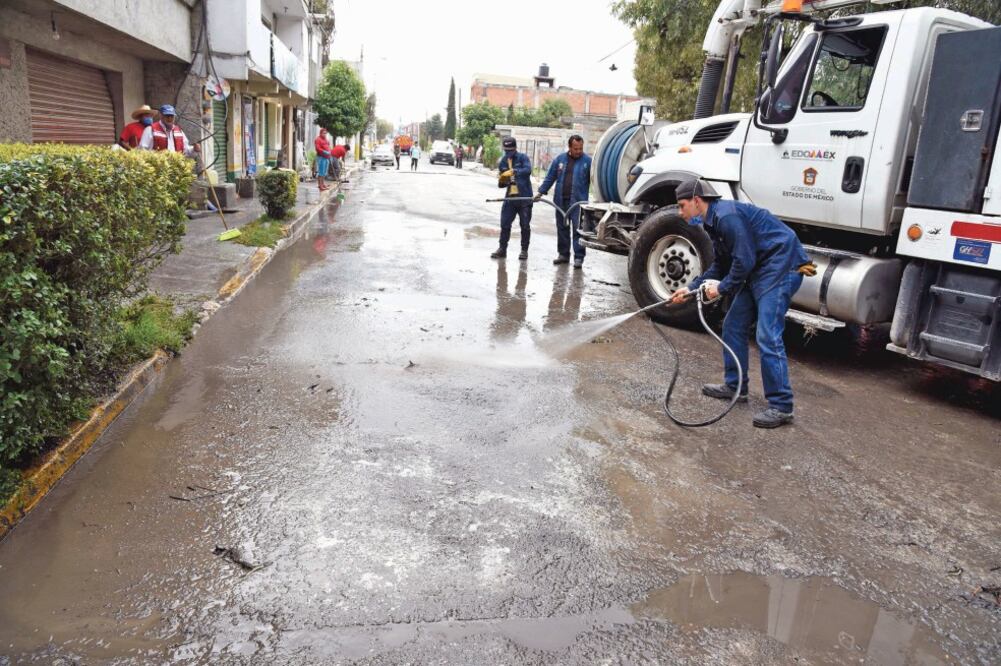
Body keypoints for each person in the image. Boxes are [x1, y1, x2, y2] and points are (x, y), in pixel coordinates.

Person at [671, 178, 815, 429]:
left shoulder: (727, 217)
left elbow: (744, 261)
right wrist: (692, 288)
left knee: (767, 334)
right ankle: (735, 386)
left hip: (780, 265)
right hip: (759, 268)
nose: (680, 212)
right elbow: (722, 264)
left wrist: (722, 289)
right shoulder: (712, 222)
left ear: (696, 201)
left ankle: (782, 406)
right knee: (733, 325)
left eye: (682, 206)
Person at [535, 134, 591, 269]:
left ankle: (578, 257)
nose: (579, 151)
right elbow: (550, 177)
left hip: (578, 203)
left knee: (578, 230)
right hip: (561, 201)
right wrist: (541, 191)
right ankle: (563, 255)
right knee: (562, 228)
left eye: (581, 148)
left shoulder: (587, 161)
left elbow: (596, 180)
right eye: (576, 148)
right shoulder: (560, 160)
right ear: (570, 147)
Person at [491, 136, 533, 260]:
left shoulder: (523, 158)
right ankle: (502, 249)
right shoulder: (503, 161)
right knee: (505, 223)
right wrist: (503, 180)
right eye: (506, 151)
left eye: (511, 151)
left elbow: (528, 170)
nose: (508, 154)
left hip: (524, 198)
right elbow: (501, 185)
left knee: (525, 225)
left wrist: (514, 171)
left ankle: (524, 251)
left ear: (515, 148)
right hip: (510, 198)